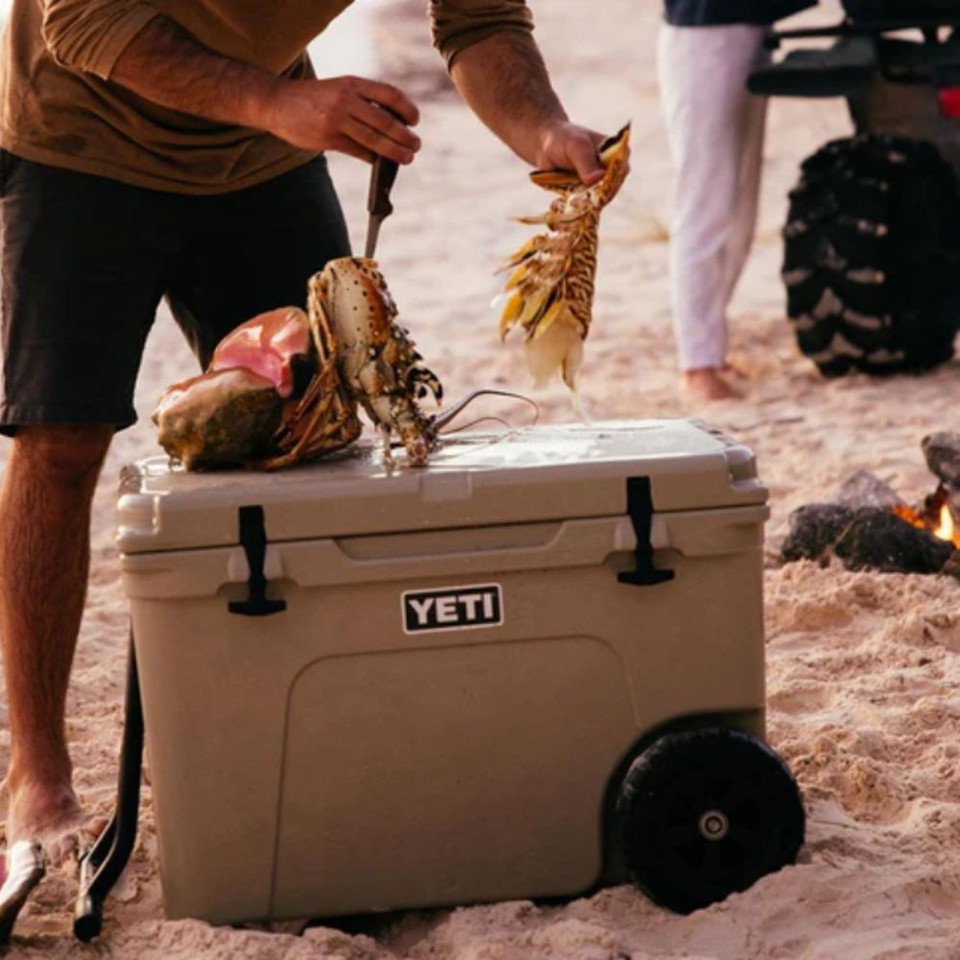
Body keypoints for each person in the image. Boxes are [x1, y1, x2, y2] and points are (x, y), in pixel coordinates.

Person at [0, 0, 609, 933]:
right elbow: (81, 21)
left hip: (260, 158)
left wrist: (545, 128)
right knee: (62, 441)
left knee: (314, 439)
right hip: (79, 138)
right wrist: (280, 103)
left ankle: (311, 745)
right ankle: (36, 776)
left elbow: (481, 19)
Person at [658, 0, 816, 401]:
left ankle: (711, 352)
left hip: (748, 25)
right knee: (706, 202)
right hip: (703, 35)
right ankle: (697, 366)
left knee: (740, 210)